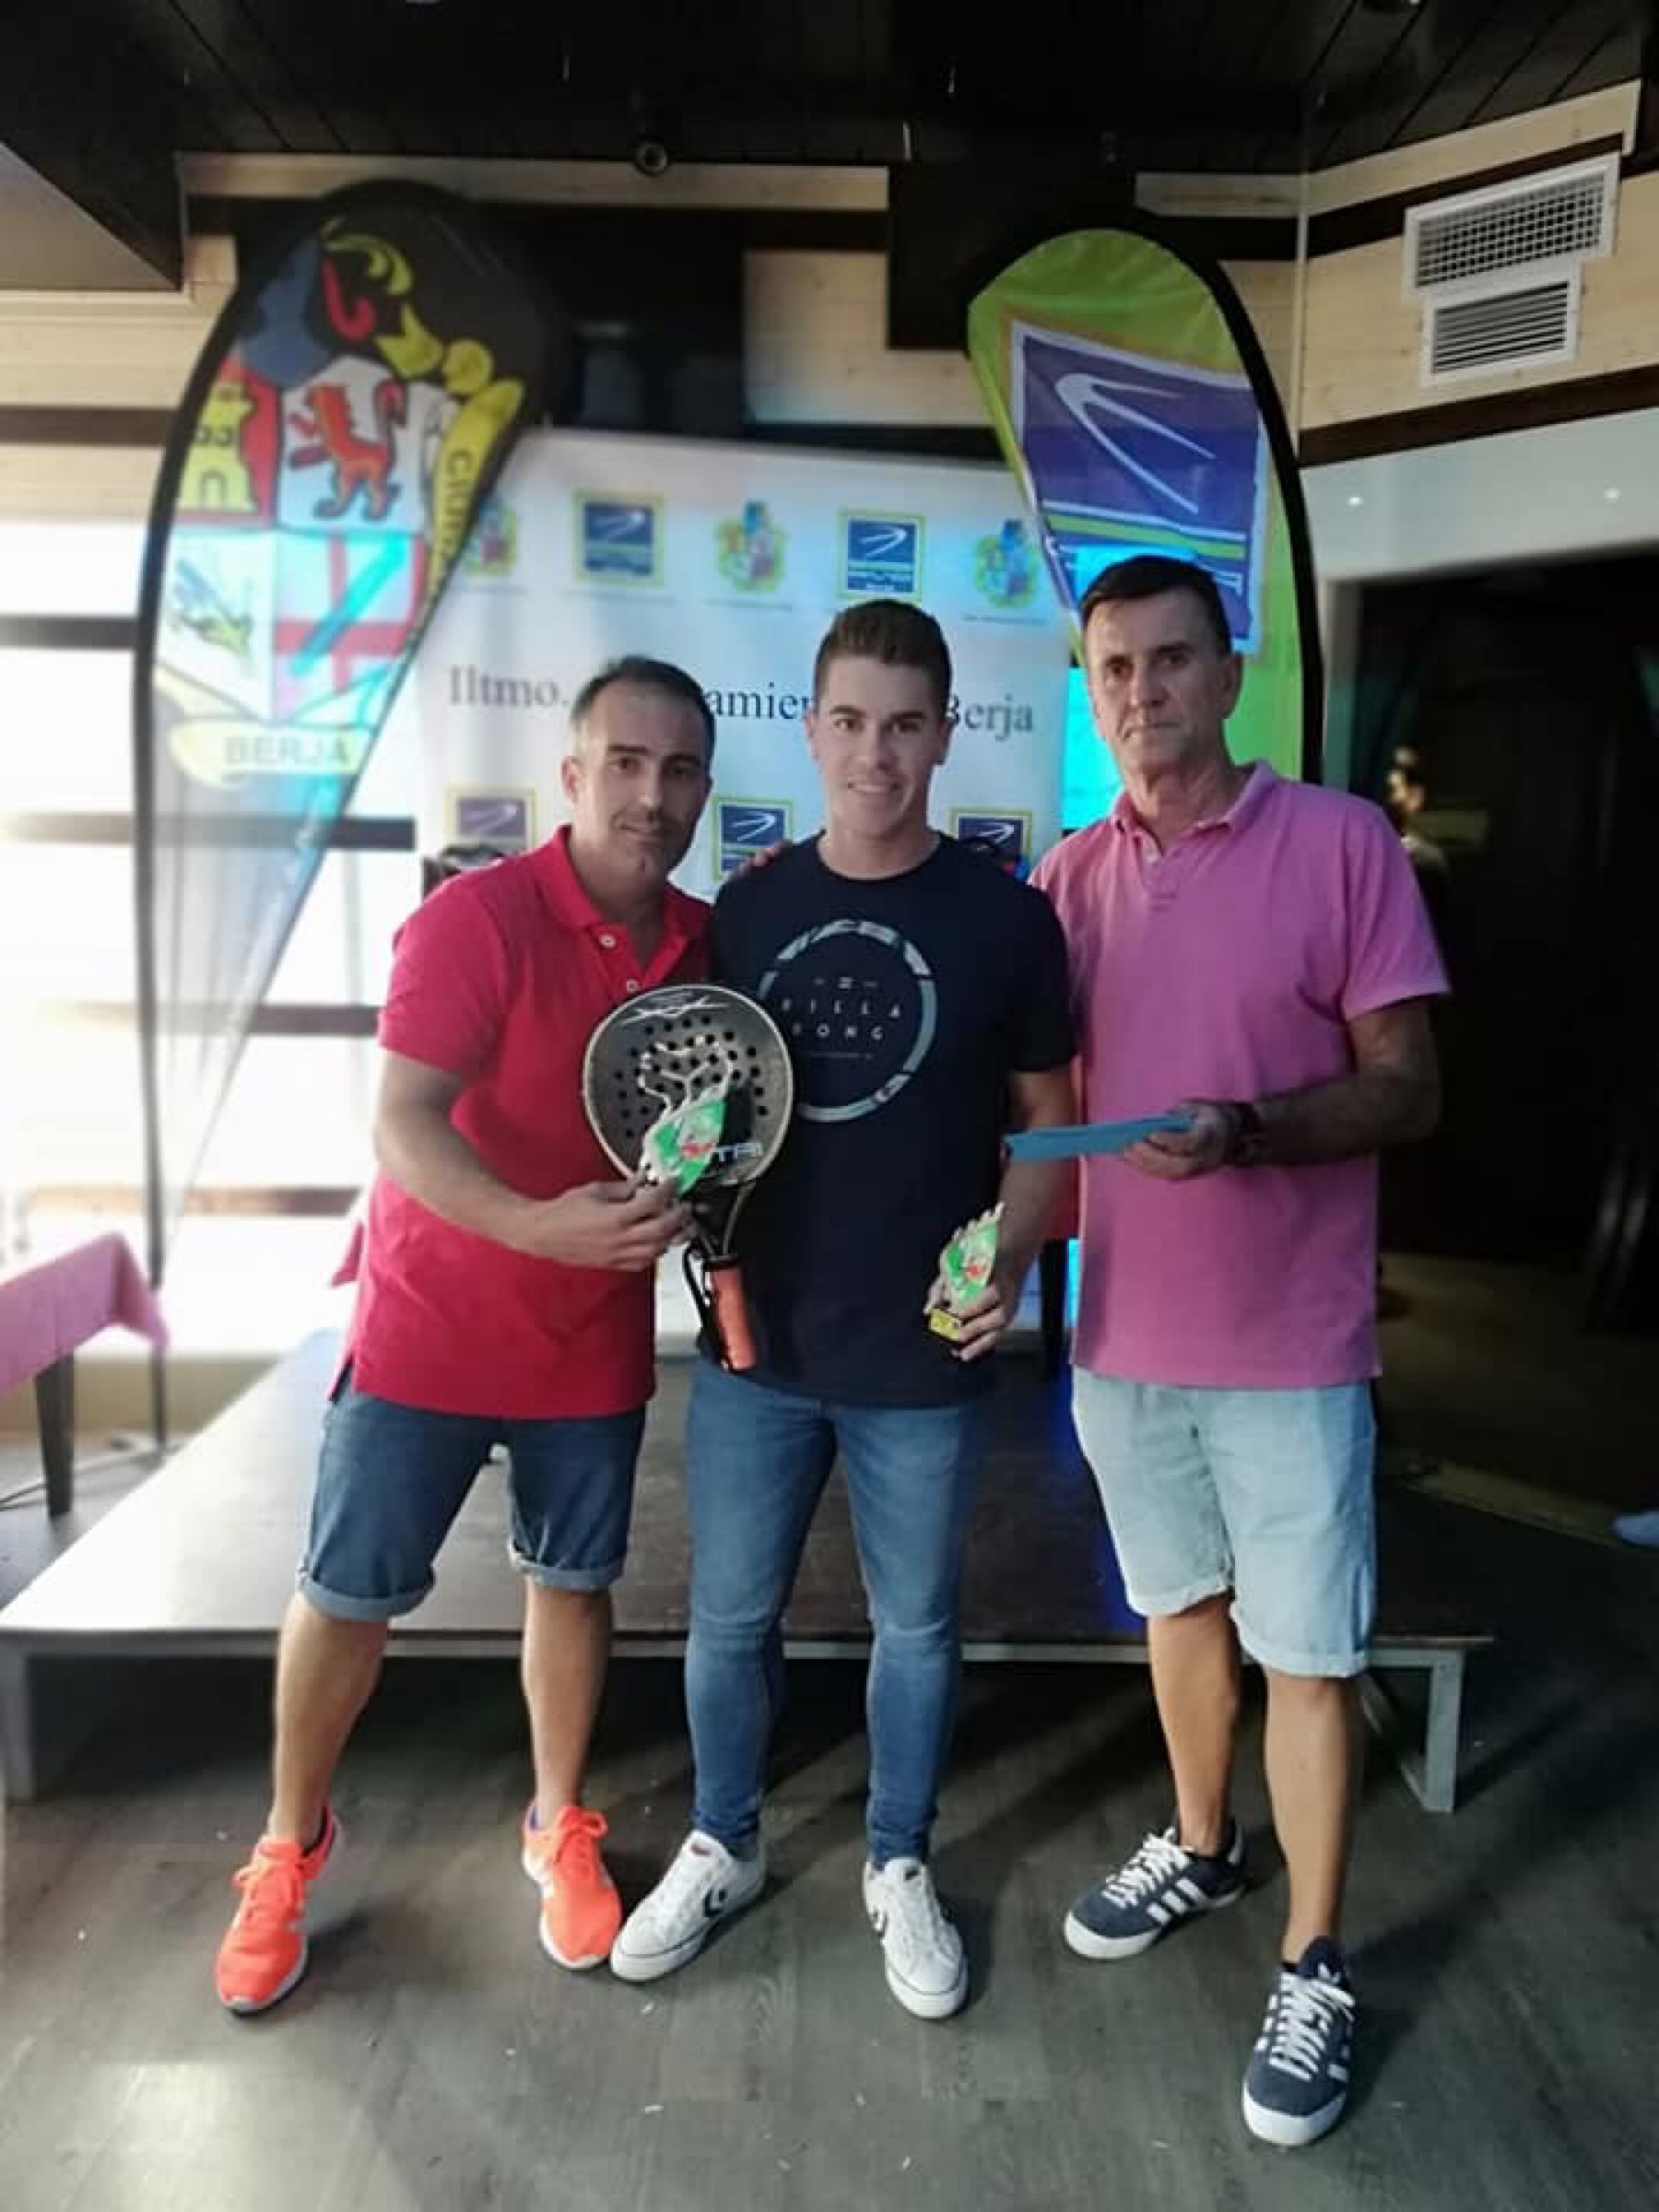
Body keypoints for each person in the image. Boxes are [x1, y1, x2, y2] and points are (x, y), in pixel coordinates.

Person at [213, 656, 715, 2015]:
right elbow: (401, 1123)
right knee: (349, 1593)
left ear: (703, 791)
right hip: (428, 1324)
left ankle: (556, 1823)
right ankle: (286, 1847)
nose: (651, 794)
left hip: (588, 1337)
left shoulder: (703, 944)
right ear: (573, 775)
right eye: (625, 764)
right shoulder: (474, 921)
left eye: (678, 770)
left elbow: (712, 1132)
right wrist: (541, 1226)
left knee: (571, 1580)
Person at [1031, 556, 1446, 2147]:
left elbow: (1409, 1086)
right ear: (1092, 692)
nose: (1141, 690)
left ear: (1227, 672)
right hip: (1125, 1340)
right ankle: (1204, 1846)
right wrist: (984, 1252)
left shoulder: (1343, 844)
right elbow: (1044, 1118)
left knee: (1311, 1658)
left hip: (1292, 1349)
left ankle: (1314, 1958)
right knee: (1175, 1612)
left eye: (1170, 660)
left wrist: (1253, 1130)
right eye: (1114, 667)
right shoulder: (1068, 879)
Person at [611, 600, 1074, 2018]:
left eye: (906, 725)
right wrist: (669, 1182)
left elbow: (1050, 1132)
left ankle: (897, 1860)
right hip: (760, 1348)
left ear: (946, 735)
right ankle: (725, 1842)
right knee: (726, 1621)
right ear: (811, 732)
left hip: (923, 1357)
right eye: (853, 723)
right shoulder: (745, 912)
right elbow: (704, 1114)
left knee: (916, 1630)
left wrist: (1009, 1254)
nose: (877, 754)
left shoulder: (1010, 919)